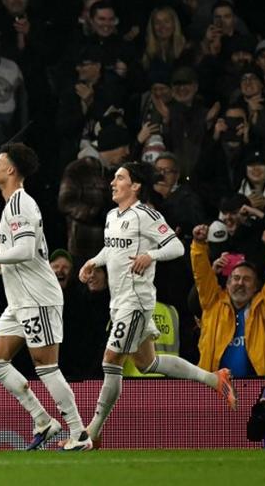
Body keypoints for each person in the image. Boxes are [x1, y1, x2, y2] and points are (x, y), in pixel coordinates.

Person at [78, 161, 237, 447]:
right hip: (119, 301)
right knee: (147, 363)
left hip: (136, 301)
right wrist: (93, 261)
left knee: (110, 360)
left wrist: (150, 255)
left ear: (135, 185)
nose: (113, 183)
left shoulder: (146, 214)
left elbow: (175, 246)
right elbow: (112, 248)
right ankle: (215, 379)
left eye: (119, 178)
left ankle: (93, 431)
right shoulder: (113, 215)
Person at [0, 143, 91, 451]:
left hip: (38, 297)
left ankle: (78, 432)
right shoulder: (11, 206)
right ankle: (43, 420)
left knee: (46, 366)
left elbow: (23, 250)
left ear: (11, 169)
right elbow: (23, 253)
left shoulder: (22, 204)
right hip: (19, 300)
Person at [190, 222, 265, 377]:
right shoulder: (212, 302)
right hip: (213, 387)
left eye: (247, 279)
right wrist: (199, 245)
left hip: (253, 387)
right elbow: (201, 275)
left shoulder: (262, 307)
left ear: (255, 287)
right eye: (236, 278)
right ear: (227, 283)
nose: (240, 283)